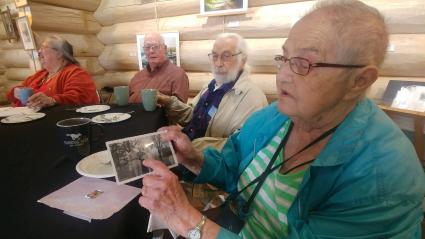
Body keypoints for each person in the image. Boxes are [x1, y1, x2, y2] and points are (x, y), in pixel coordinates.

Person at [138, 0, 425, 238]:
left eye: (304, 63)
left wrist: (185, 218)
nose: (283, 75)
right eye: (284, 58)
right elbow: (232, 167)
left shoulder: (383, 175)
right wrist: (193, 158)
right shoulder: (274, 117)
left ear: (359, 81)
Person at [157, 33, 268, 151]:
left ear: (242, 60)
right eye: (215, 56)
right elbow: (193, 115)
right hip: (186, 152)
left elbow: (240, 146)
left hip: (204, 164)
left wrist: (191, 145)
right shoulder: (212, 85)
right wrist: (169, 102)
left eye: (226, 56)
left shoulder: (253, 98)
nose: (218, 63)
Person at [7, 36, 99, 108]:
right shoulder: (41, 74)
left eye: (44, 47)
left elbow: (79, 98)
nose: (39, 52)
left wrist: (52, 100)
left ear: (60, 53)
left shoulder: (75, 73)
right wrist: (15, 92)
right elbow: (14, 92)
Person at [128, 32, 189, 104]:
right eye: (147, 47)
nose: (151, 51)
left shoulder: (178, 75)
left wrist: (165, 100)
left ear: (165, 49)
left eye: (155, 46)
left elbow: (181, 110)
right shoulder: (137, 76)